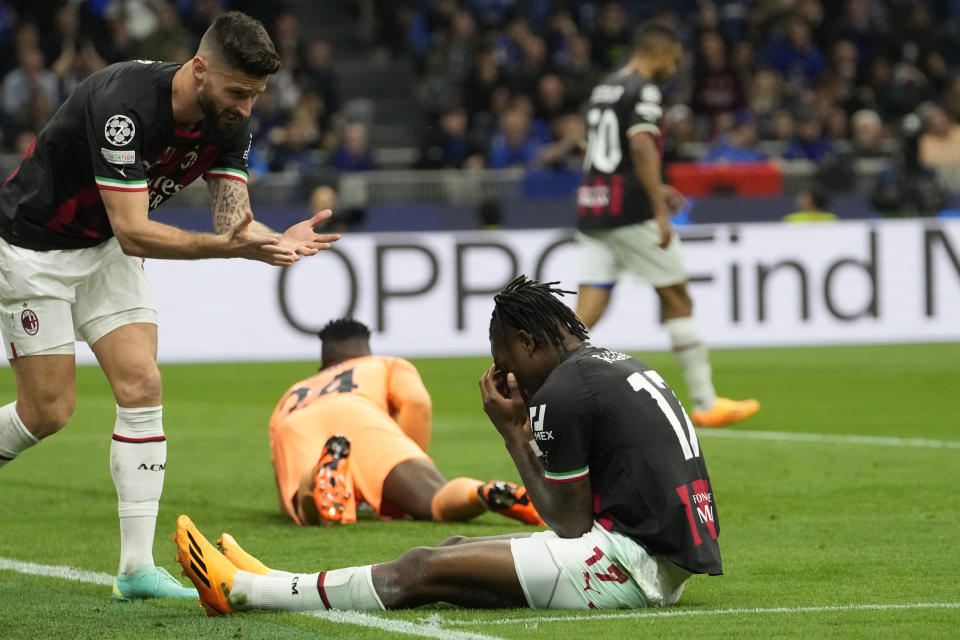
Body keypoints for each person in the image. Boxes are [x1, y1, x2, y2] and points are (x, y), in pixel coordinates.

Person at [0, 12, 340, 601]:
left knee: (142, 384)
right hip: (35, 247)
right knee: (48, 411)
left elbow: (232, 220)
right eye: (238, 92)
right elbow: (136, 231)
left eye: (256, 95)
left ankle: (135, 571)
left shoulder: (231, 118)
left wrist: (267, 239)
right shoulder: (123, 104)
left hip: (102, 250)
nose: (247, 108)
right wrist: (228, 252)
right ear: (200, 70)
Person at [174, 277, 722, 615]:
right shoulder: (615, 362)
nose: (510, 381)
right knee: (457, 549)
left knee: (420, 565)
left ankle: (250, 592)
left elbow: (567, 525)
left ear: (529, 342)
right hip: (657, 555)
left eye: (507, 365)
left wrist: (513, 435)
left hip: (627, 566)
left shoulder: (563, 390)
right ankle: (271, 579)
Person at [574, 22, 759, 428]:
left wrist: (653, 184)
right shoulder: (644, 89)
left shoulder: (605, 88)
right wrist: (658, 207)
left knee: (584, 315)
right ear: (658, 52)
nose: (673, 69)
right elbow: (640, 143)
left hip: (593, 204)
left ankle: (535, 387)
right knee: (677, 296)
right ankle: (706, 402)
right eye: (673, 60)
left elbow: (596, 148)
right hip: (630, 211)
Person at [269, 318, 543, 527]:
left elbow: (282, 488)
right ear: (366, 349)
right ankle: (483, 492)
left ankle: (319, 473)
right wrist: (414, 461)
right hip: (359, 412)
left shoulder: (292, 392)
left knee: (306, 504)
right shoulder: (384, 364)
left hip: (294, 425)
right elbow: (416, 401)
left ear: (325, 359)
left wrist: (291, 501)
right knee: (435, 500)